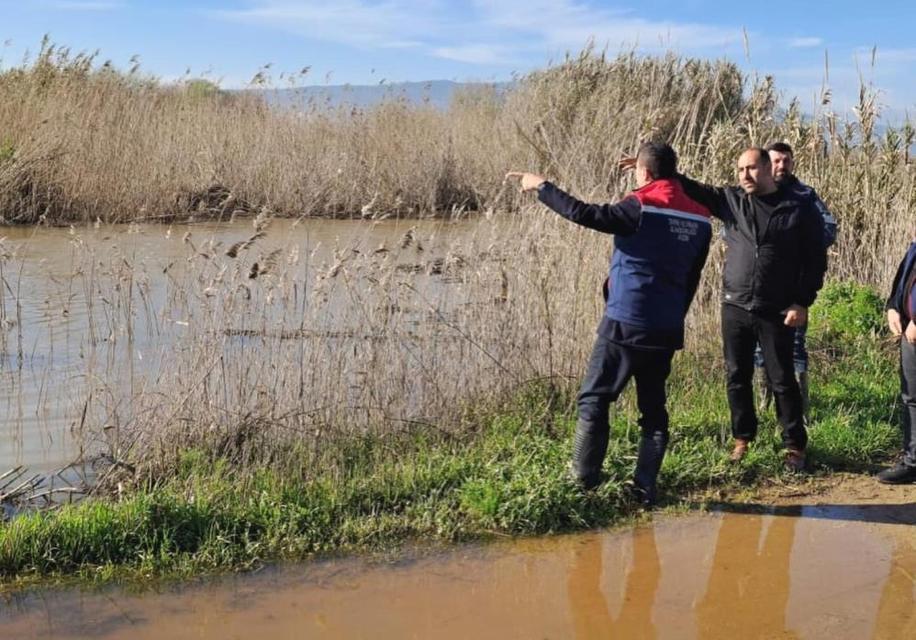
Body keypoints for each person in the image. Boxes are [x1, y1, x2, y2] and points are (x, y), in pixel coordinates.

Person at [505, 142, 711, 506]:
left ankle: (583, 484)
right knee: (653, 409)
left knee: (594, 399)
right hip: (665, 329)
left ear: (644, 173)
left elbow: (586, 214)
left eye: (640, 172)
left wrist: (541, 186)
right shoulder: (700, 217)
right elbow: (693, 277)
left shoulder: (641, 206)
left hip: (626, 323)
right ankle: (645, 488)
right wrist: (675, 316)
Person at [677, 148, 827, 471]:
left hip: (776, 309)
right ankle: (742, 438)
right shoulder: (732, 201)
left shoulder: (797, 208)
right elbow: (695, 188)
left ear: (767, 169)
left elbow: (816, 259)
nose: (744, 175)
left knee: (782, 379)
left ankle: (795, 447)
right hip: (735, 305)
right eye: (740, 169)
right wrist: (661, 171)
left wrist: (802, 300)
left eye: (751, 168)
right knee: (736, 375)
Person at [755, 142, 838, 414]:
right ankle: (765, 406)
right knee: (759, 350)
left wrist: (798, 243)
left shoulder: (805, 195)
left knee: (795, 347)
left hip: (794, 289)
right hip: (759, 289)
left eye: (786, 161)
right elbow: (735, 231)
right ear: (767, 163)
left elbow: (829, 228)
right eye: (776, 161)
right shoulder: (756, 192)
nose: (781, 166)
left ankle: (799, 410)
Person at [880, 239, 916, 484]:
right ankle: (913, 461)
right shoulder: (914, 246)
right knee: (911, 397)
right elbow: (904, 278)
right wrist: (894, 306)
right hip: (909, 333)